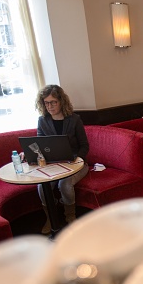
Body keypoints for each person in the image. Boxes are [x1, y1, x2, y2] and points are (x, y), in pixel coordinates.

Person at [34, 84, 89, 234]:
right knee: (42, 186)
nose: (50, 106)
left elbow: (84, 145)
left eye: (53, 102)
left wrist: (79, 159)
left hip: (76, 164)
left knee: (64, 184)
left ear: (61, 101)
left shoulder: (74, 119)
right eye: (46, 103)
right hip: (54, 164)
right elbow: (40, 144)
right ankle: (51, 219)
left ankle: (70, 217)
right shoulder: (43, 121)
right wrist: (28, 153)